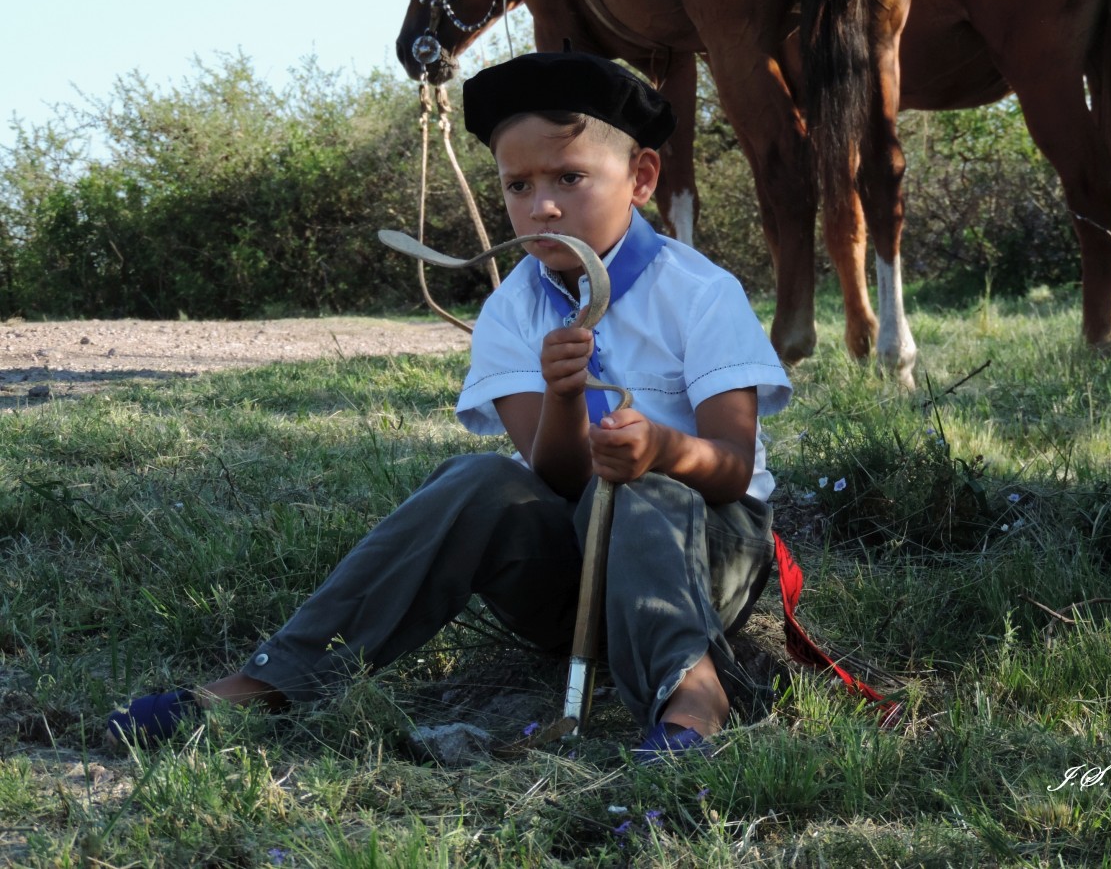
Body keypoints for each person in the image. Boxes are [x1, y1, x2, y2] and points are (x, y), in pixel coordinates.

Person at [106, 51, 792, 761]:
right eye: (518, 186)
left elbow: (735, 470)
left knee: (640, 491)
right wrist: (562, 397)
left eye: (570, 178)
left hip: (707, 557)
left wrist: (662, 450)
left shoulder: (700, 292)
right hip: (578, 583)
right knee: (476, 478)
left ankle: (694, 692)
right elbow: (553, 479)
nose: (542, 206)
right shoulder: (512, 311)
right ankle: (275, 681)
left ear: (641, 178)